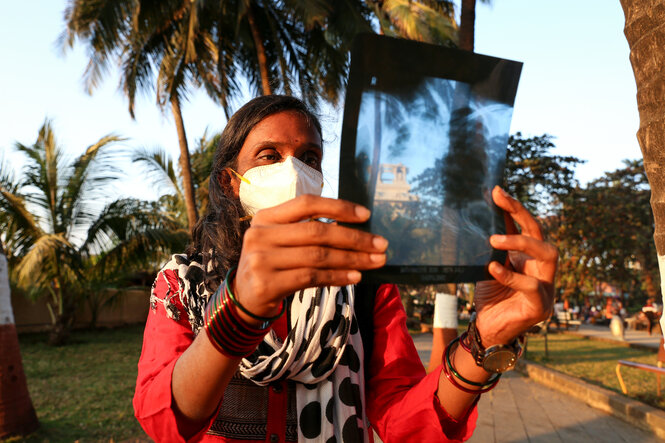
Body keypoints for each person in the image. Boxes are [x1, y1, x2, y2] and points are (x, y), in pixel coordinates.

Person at [133, 95, 557, 442]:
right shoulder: (182, 283)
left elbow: (403, 422)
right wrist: (240, 309)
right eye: (269, 155)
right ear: (231, 181)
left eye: (309, 157)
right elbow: (166, 421)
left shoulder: (360, 280)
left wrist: (487, 338)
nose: (294, 170)